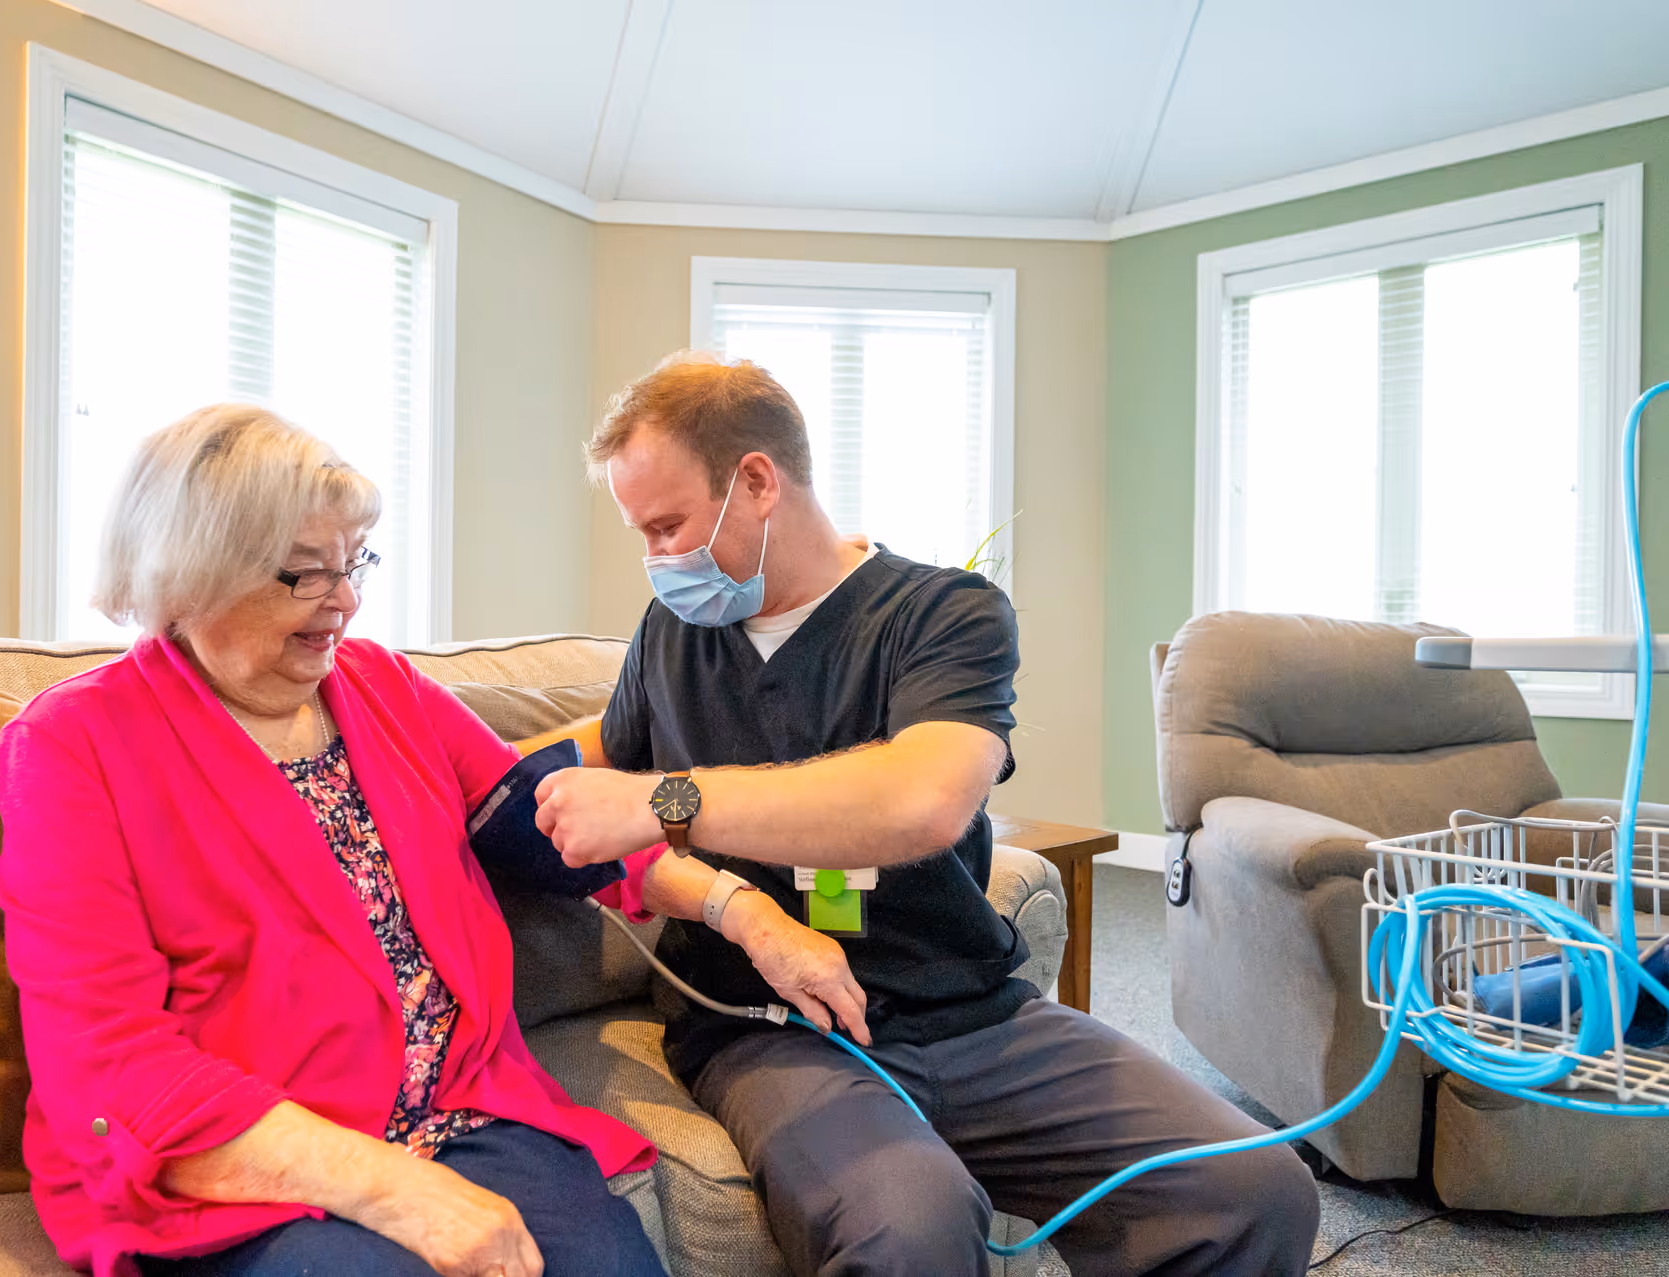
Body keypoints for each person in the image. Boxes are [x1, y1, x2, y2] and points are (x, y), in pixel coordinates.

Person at [521, 353, 1323, 1277]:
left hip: (972, 1016)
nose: (658, 560)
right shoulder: (671, 636)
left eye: (668, 526)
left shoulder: (944, 613)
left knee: (1257, 1188)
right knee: (912, 1229)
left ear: (755, 481)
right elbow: (582, 768)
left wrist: (671, 799)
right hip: (772, 1032)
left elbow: (921, 799)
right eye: (642, 535)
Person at [0, 405, 667, 1277]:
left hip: (462, 1108)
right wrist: (392, 1187)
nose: (344, 602)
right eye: (304, 576)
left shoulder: (381, 685)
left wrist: (738, 907)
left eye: (354, 566)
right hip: (246, 1159)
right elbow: (107, 1060)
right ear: (191, 576)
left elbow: (546, 817)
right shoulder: (73, 744)